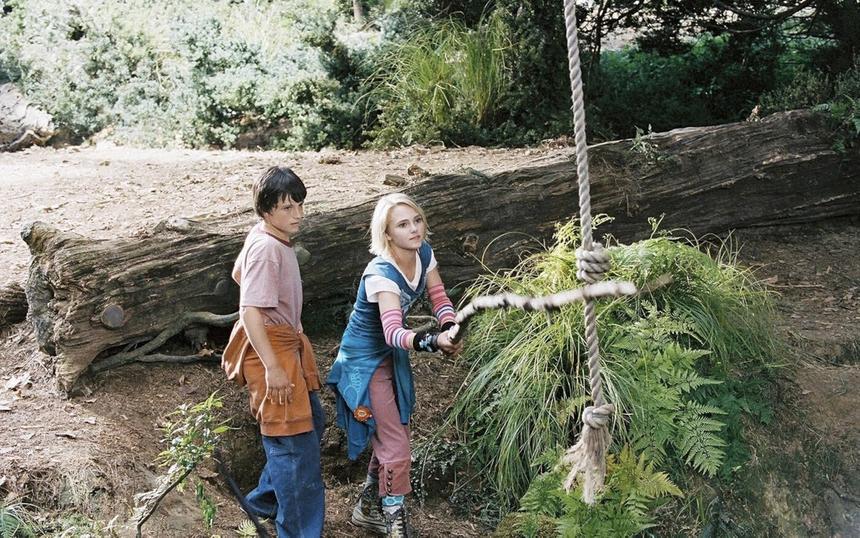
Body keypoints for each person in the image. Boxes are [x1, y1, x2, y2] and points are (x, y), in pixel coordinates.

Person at [327, 193, 463, 537]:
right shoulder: (381, 274)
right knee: (396, 446)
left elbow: (438, 296)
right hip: (363, 361)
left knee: (395, 432)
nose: (414, 229)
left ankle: (367, 508)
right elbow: (392, 331)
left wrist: (449, 327)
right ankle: (394, 523)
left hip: (392, 355)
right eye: (403, 224)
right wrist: (433, 342)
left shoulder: (424, 253)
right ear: (387, 234)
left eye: (417, 220)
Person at [222, 166, 325, 538]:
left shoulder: (265, 234)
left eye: (300, 204)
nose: (297, 214)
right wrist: (273, 367)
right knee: (294, 445)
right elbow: (250, 310)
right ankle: (297, 532)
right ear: (266, 210)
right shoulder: (267, 249)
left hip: (282, 343)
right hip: (272, 350)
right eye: (286, 207)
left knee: (311, 424)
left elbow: (239, 274)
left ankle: (262, 502)